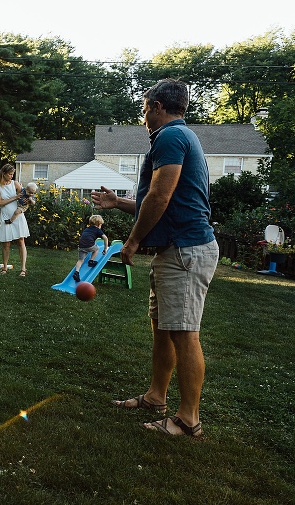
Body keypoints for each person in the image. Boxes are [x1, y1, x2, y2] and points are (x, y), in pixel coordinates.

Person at [91, 78, 219, 438]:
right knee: (164, 330)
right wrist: (118, 203)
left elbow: (159, 198)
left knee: (183, 333)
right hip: (175, 251)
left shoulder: (170, 137)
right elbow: (162, 201)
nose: (144, 116)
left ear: (159, 107)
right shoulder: (179, 136)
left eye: (146, 108)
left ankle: (188, 420)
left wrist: (131, 243)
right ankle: (155, 397)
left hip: (185, 251)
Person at [0, 164, 29, 277]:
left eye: (13, 174)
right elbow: (0, 202)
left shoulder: (15, 183)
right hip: (5, 216)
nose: (12, 176)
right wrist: (15, 197)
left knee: (21, 241)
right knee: (6, 243)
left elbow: (25, 196)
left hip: (17, 216)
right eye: (10, 174)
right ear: (4, 173)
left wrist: (26, 200)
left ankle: (23, 269)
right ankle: (4, 268)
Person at [73, 214, 109, 282]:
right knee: (97, 248)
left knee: (80, 260)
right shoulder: (97, 230)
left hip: (81, 245)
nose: (101, 226)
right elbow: (105, 238)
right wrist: (105, 249)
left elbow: (86, 237)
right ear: (98, 224)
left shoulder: (87, 229)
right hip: (89, 245)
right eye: (101, 225)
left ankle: (76, 272)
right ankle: (91, 261)